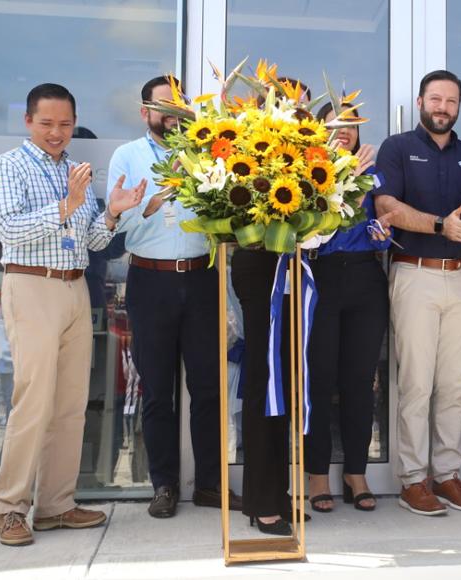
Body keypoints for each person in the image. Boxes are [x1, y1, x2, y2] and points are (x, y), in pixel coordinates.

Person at [0, 83, 145, 546]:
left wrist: (111, 214)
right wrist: (65, 206)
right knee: (32, 402)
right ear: (29, 122)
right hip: (32, 285)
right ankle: (10, 508)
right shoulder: (9, 166)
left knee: (72, 404)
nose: (57, 132)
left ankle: (56, 505)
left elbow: (93, 242)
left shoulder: (74, 170)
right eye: (47, 123)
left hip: (75, 288)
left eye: (65, 124)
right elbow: (10, 227)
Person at [107, 75, 239, 519]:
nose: (175, 116)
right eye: (166, 107)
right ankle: (163, 485)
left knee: (208, 388)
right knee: (157, 390)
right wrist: (150, 203)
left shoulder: (207, 154)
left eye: (183, 108)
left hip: (203, 279)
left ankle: (209, 485)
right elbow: (113, 230)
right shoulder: (127, 157)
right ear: (146, 111)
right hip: (150, 281)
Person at [374, 69, 461, 516]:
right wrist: (442, 224)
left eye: (450, 101)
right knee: (416, 383)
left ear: (459, 107)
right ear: (422, 101)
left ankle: (447, 475)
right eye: (435, 99)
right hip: (416, 275)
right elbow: (387, 207)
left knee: (453, 385)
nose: (442, 107)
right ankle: (412, 479)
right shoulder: (397, 148)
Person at [230, 79, 313, 536]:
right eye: (287, 102)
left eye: (300, 105)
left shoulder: (307, 150)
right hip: (259, 270)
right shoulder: (246, 144)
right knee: (266, 381)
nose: (295, 109)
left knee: (287, 382)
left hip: (293, 272)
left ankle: (276, 493)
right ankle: (263, 501)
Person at [304, 101, 392, 513]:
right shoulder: (306, 172)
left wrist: (381, 232)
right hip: (320, 278)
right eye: (336, 124)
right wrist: (342, 186)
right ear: (319, 129)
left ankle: (356, 472)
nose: (345, 131)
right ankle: (317, 474)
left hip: (364, 278)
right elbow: (307, 229)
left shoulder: (374, 175)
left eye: (352, 125)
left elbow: (381, 233)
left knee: (360, 381)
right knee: (319, 381)